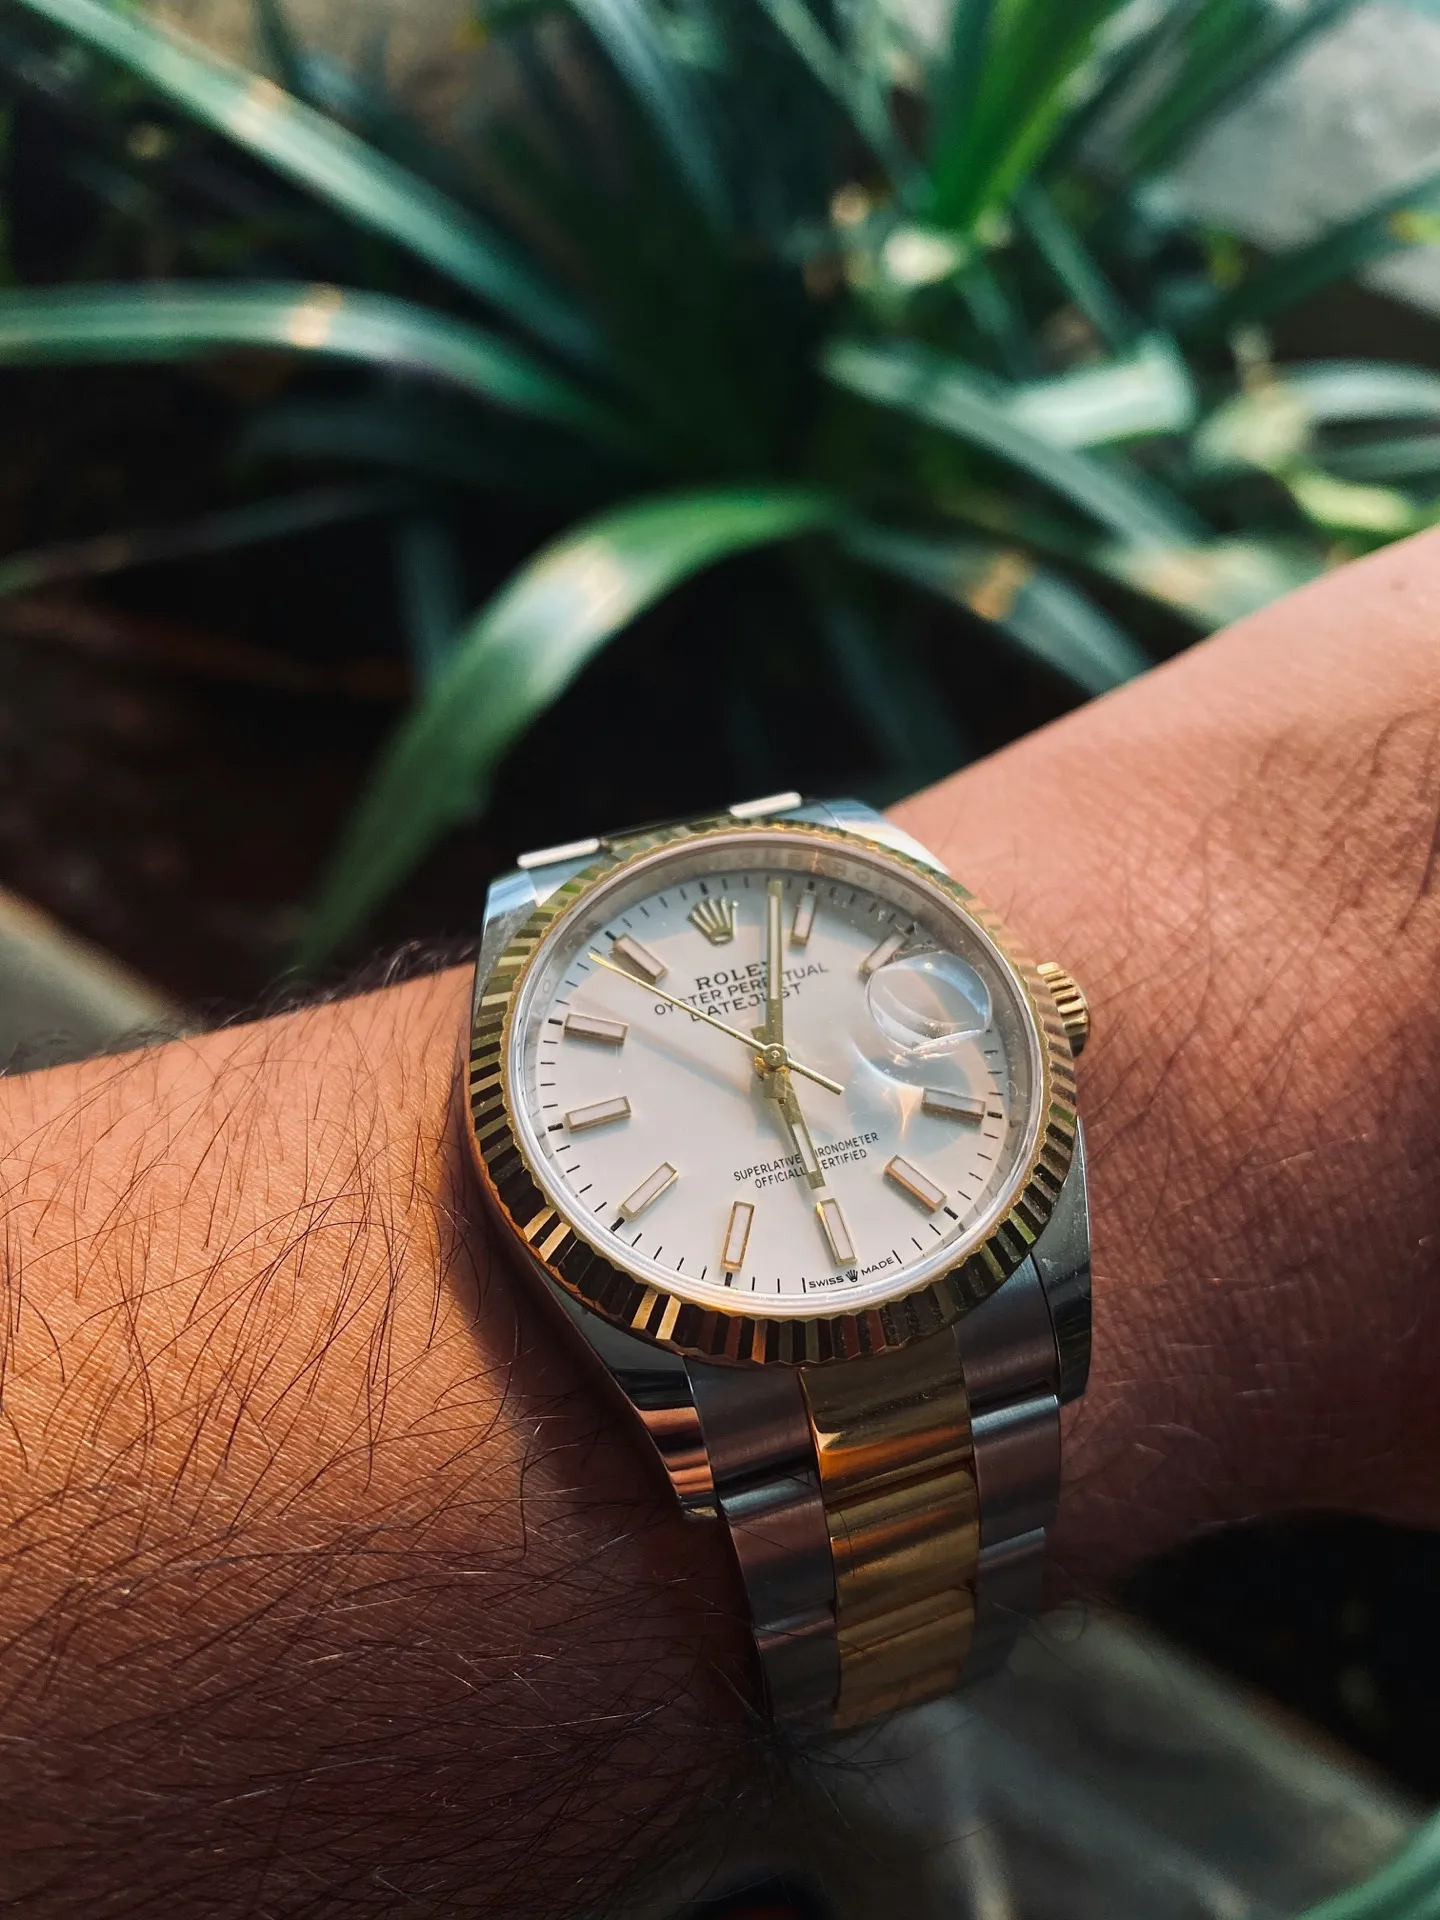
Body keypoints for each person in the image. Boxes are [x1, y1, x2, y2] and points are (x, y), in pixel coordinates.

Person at [0, 527, 1436, 1919]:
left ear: (1038, 1026)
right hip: (741, 1306)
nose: (773, 1067)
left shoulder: (985, 1072)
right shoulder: (568, 1113)